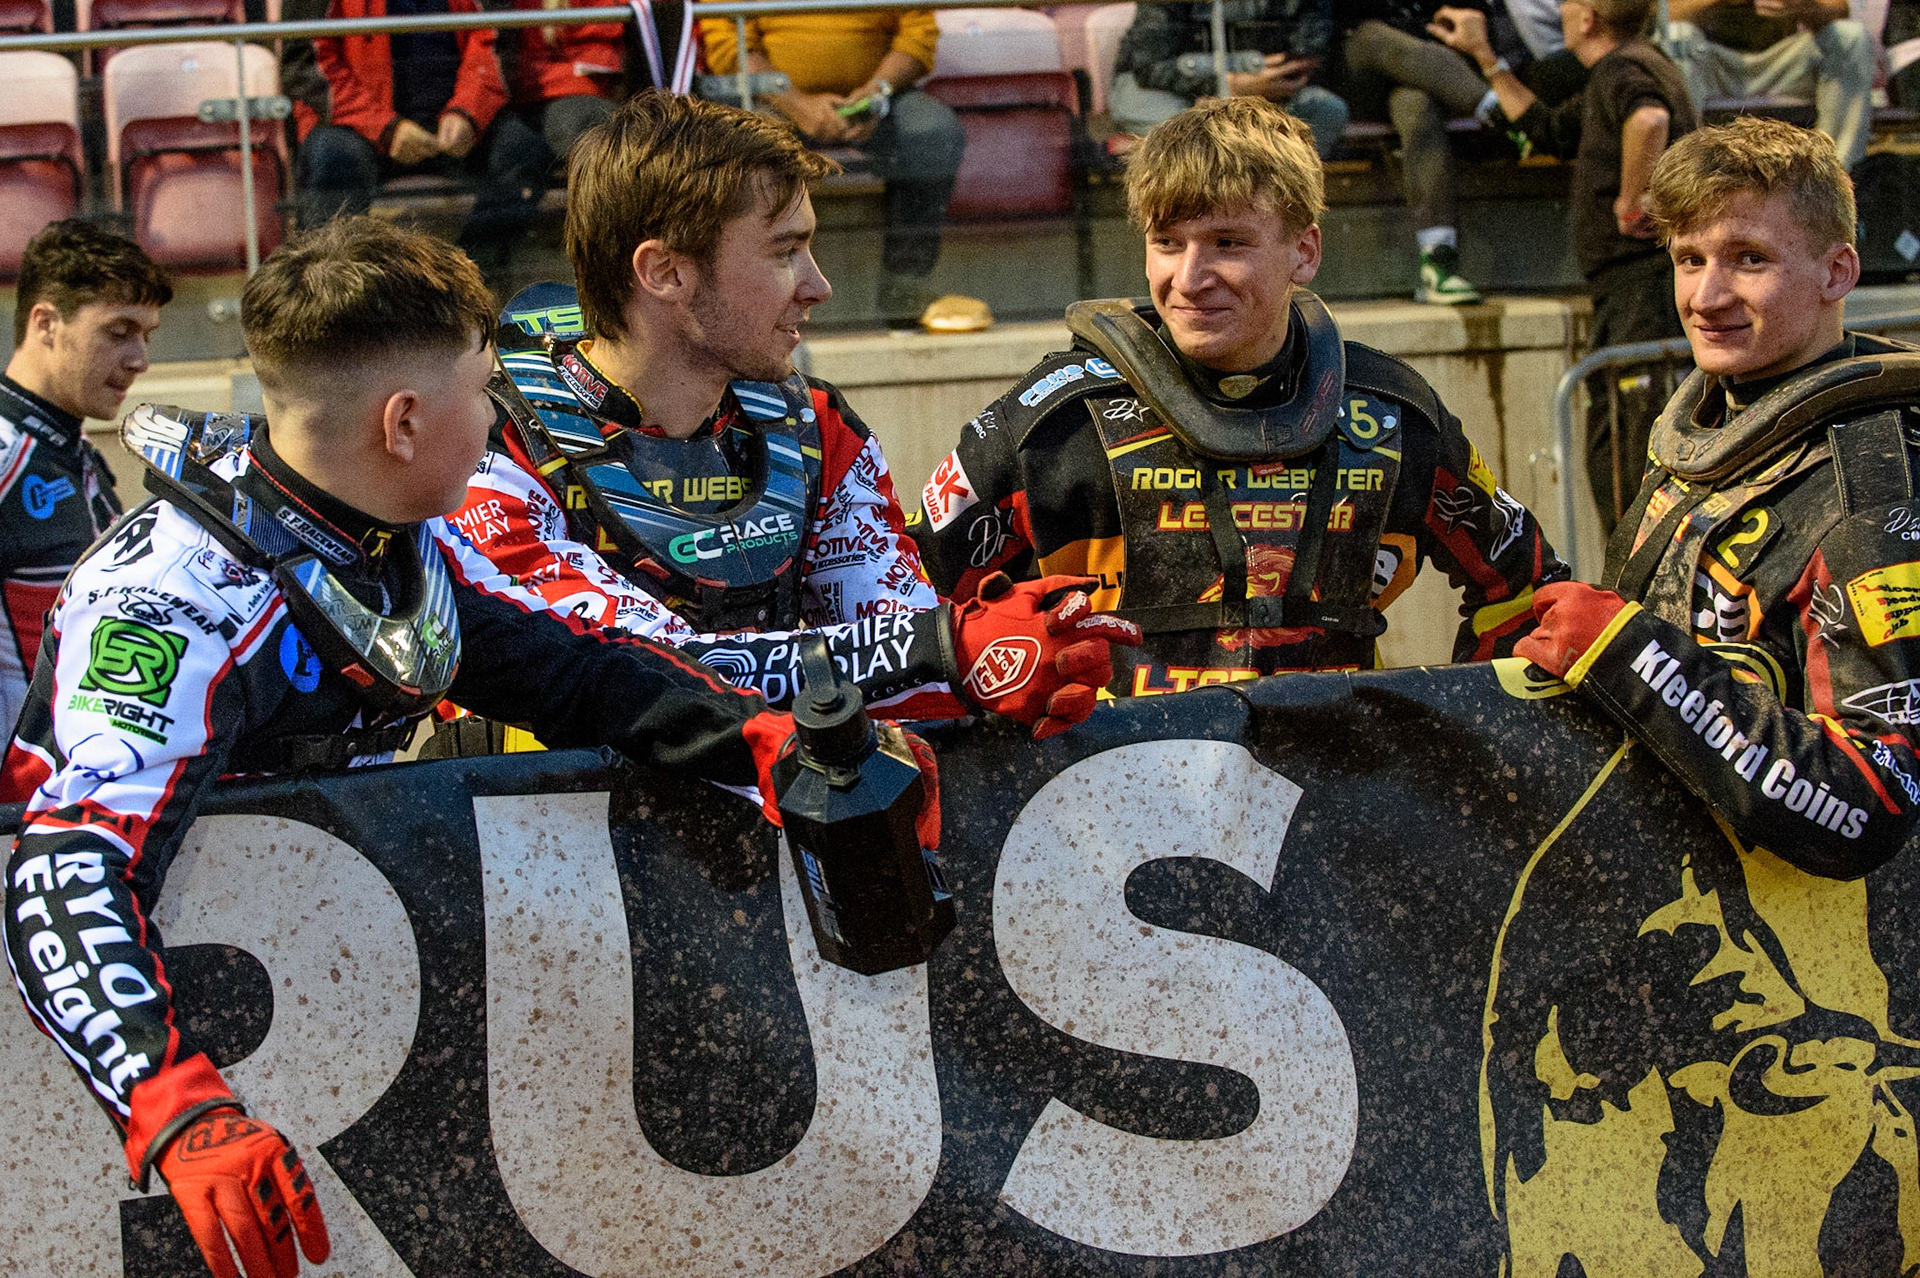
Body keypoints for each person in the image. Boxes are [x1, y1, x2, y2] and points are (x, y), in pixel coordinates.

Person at [0, 216, 851, 1278]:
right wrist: (177, 1105)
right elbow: (66, 869)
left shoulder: (401, 536)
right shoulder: (172, 601)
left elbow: (579, 668)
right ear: (403, 421)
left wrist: (765, 747)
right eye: (485, 387)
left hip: (310, 1033)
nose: (499, 418)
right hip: (109, 1084)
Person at [459, 92, 1136, 743]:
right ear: (665, 272)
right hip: (545, 837)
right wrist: (947, 648)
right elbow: (643, 672)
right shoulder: (489, 446)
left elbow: (897, 636)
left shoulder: (815, 425)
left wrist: (1004, 669)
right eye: (785, 252)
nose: (819, 285)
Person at [912, 97, 1569, 697]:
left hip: (1328, 797)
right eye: (1168, 242)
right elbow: (906, 611)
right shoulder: (1053, 423)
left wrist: (1457, 731)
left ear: (1304, 252)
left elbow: (1530, 590)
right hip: (1108, 802)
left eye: (1227, 243)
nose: (1190, 278)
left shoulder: (1393, 415)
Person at [1516, 117, 1920, 880]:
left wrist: (1632, 656)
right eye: (1689, 258)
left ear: (1838, 272)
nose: (1707, 295)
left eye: (1749, 259)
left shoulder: (1868, 491)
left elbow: (1871, 800)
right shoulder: (1711, 428)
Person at [1428, 0, 1697, 534]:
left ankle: (1633, 584)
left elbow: (1650, 118)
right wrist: (1486, 56)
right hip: (1628, 291)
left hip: (1639, 288)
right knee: (1619, 439)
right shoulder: (1633, 66)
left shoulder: (1624, 69)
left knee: (1626, 446)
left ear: (1590, 18)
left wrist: (1632, 200)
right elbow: (1549, 129)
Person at [0, 221, 169, 734]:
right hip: (21, 798)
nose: (139, 359)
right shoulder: (6, 451)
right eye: (118, 333)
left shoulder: (77, 448)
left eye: (145, 336)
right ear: (46, 324)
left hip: (75, 780)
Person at [698, 4, 964, 324]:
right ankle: (757, 299)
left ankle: (905, 288)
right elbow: (729, 43)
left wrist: (875, 94)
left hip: (876, 98)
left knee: (932, 133)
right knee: (742, 148)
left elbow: (918, 37)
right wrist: (796, 103)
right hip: (769, 101)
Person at [294, 0, 549, 278]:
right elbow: (304, 61)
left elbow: (498, 39)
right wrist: (384, 127)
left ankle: (468, 279)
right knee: (334, 159)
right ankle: (331, 292)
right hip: (356, 126)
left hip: (456, 126)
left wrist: (468, 111)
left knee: (522, 149)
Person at [1336, 0, 1515, 303]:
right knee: (1372, 35)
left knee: (1416, 105)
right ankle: (1508, 117)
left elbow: (1473, 19)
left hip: (1426, 75)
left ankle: (1438, 260)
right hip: (1354, 74)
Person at [1108, 0, 1350, 159]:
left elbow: (1306, 51)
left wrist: (1263, 81)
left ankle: (1278, 212)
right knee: (1193, 135)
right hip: (1163, 92)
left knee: (1326, 110)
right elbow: (1151, 67)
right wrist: (1227, 84)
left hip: (1263, 90)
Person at [1662, 0, 1873, 173]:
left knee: (1850, 36)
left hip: (1784, 64)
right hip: (1713, 66)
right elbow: (1664, 15)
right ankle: (1684, 171)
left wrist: (1803, 5)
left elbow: (1841, 9)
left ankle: (1834, 173)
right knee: (1677, 35)